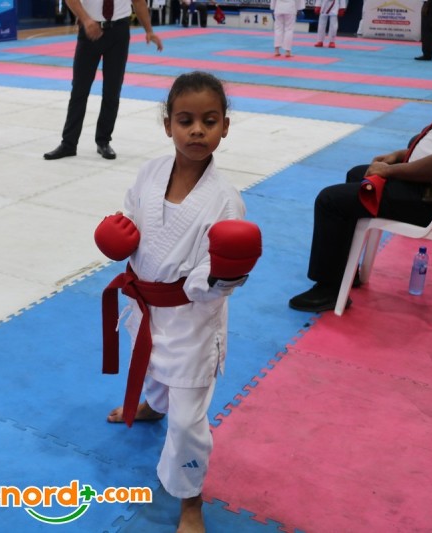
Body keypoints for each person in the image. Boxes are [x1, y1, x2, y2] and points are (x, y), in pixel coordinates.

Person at [104, 72, 248, 533]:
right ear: (168, 125)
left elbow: (215, 278)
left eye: (209, 121)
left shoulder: (226, 200)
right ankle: (152, 406)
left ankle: (190, 502)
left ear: (225, 127)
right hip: (145, 307)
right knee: (148, 366)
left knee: (187, 425)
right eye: (186, 121)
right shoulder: (150, 172)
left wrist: (224, 275)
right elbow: (132, 213)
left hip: (192, 323)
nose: (197, 131)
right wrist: (118, 231)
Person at [289, 114, 432, 312]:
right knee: (357, 174)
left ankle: (329, 289)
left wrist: (390, 171)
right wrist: (398, 156)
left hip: (429, 201)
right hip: (425, 187)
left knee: (330, 201)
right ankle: (345, 271)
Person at [43, 0, 163, 161]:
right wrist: (86, 19)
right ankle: (68, 143)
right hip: (90, 28)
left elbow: (138, 1)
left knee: (112, 90)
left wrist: (149, 30)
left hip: (119, 32)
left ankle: (103, 141)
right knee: (79, 89)